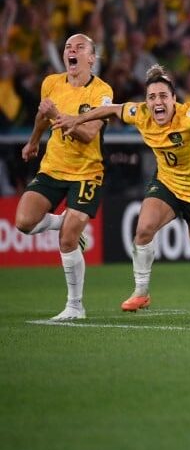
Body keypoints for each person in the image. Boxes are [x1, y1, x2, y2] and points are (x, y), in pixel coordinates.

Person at [55, 65, 190, 318]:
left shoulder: (187, 116)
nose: (157, 102)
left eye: (163, 97)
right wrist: (77, 119)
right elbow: (111, 109)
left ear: (173, 100)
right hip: (167, 182)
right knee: (144, 229)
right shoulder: (140, 113)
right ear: (146, 102)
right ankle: (141, 292)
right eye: (152, 97)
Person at [16, 34, 113, 321]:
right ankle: (67, 224)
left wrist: (57, 112)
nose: (72, 51)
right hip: (53, 167)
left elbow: (88, 134)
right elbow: (42, 117)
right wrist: (33, 141)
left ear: (92, 58)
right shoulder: (51, 82)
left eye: (79, 48)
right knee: (23, 222)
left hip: (87, 173)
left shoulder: (101, 92)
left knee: (68, 239)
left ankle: (75, 306)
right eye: (68, 47)